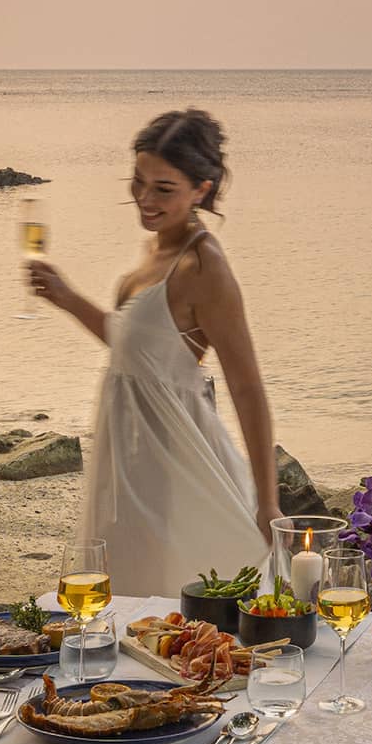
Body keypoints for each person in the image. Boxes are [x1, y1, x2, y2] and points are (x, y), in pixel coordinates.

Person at [28, 109, 281, 596]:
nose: (144, 199)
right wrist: (67, 298)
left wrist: (268, 503)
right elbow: (139, 352)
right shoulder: (154, 251)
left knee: (170, 603)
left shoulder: (204, 267)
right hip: (127, 455)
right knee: (123, 600)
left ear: (201, 190)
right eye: (138, 182)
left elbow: (247, 387)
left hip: (174, 464)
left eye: (163, 189)